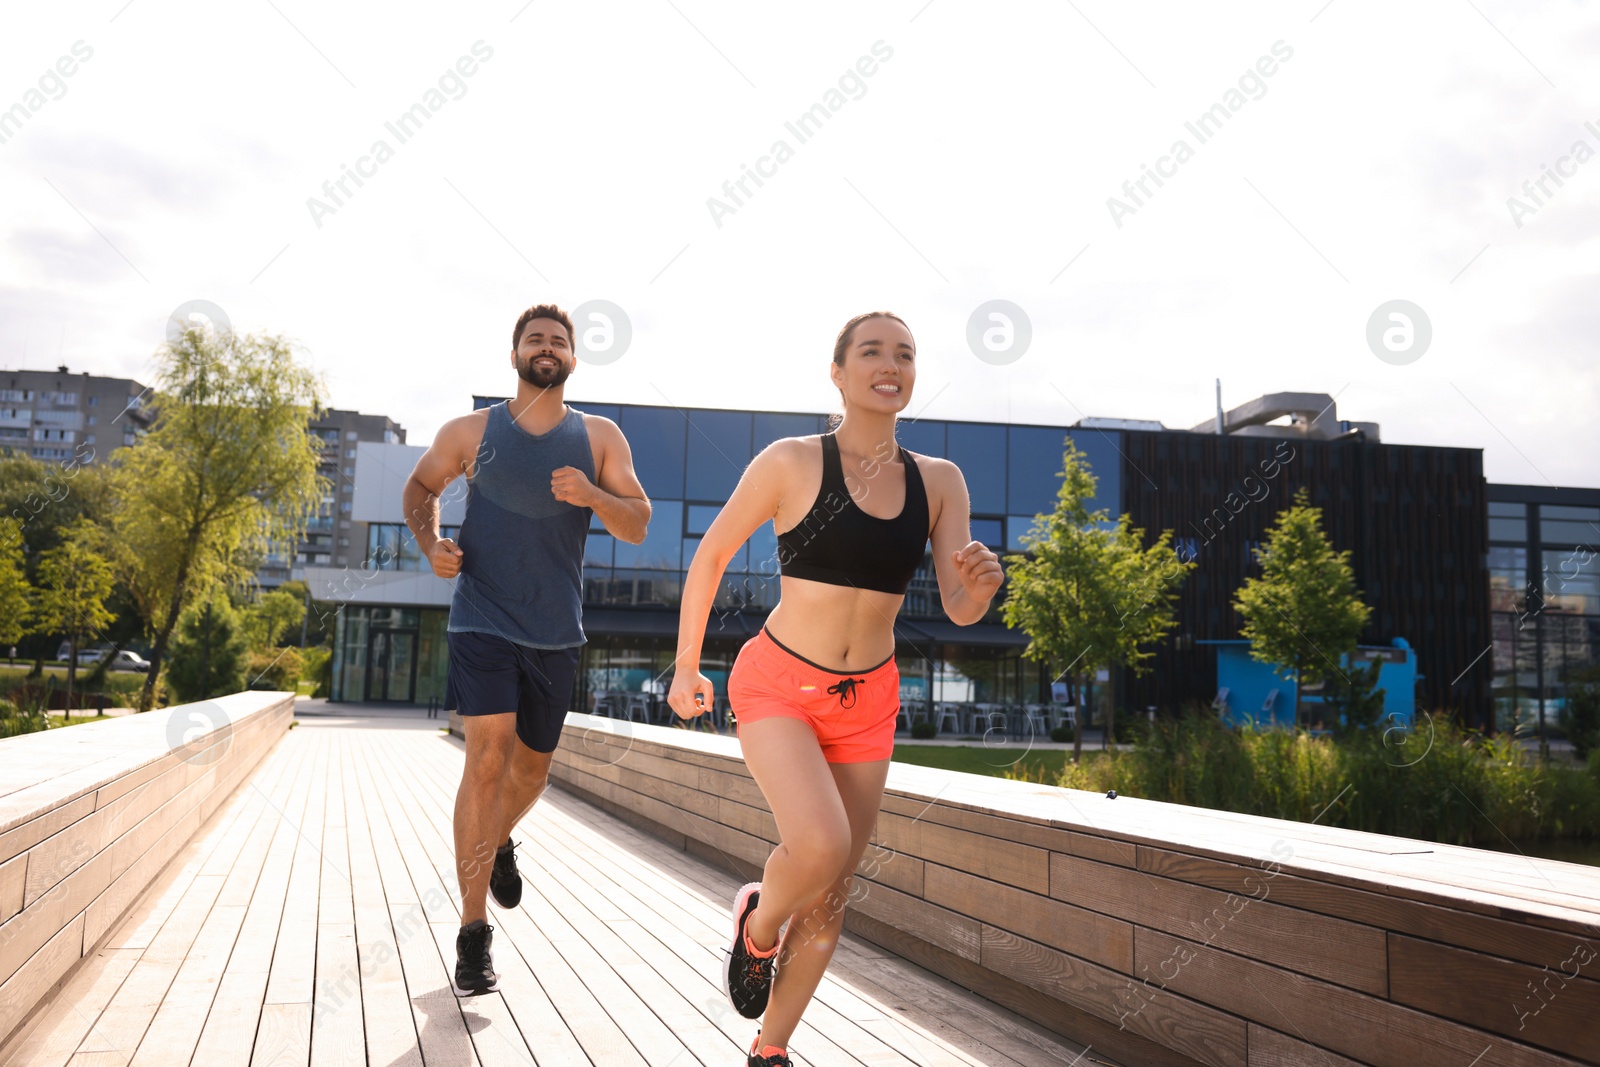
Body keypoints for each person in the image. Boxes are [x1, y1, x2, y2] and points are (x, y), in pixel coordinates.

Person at [667, 311, 1003, 1066]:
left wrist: (981, 589)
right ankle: (757, 924)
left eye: (906, 354)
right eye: (873, 352)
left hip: (868, 698)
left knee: (832, 888)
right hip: (781, 684)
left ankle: (770, 1049)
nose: (892, 364)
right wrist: (687, 664)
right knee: (821, 843)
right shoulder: (791, 461)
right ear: (839, 372)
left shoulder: (940, 482)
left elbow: (957, 604)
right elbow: (712, 553)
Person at [404, 303, 651, 997]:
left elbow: (637, 524)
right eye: (535, 339)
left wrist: (594, 493)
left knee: (532, 773)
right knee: (485, 759)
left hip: (555, 632)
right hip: (481, 619)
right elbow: (421, 486)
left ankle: (500, 840)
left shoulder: (599, 436)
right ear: (515, 354)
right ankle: (473, 932)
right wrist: (431, 545)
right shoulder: (472, 431)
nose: (547, 348)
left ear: (573, 358)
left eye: (559, 341)